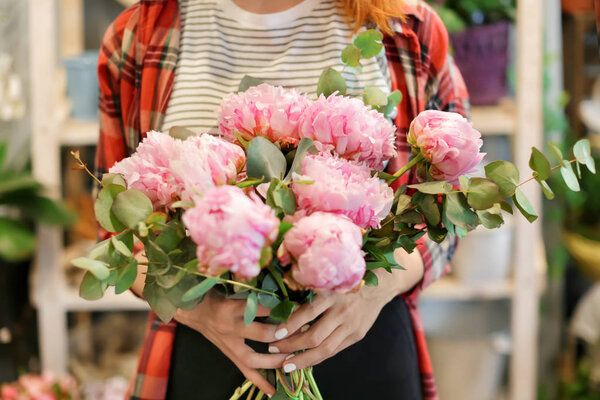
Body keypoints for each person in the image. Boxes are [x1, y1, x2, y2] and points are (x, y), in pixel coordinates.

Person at [95, 0, 469, 399]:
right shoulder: (139, 33)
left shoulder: (408, 27)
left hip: (365, 346)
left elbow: (455, 209)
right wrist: (193, 309)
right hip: (207, 353)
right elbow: (115, 226)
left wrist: (379, 285)